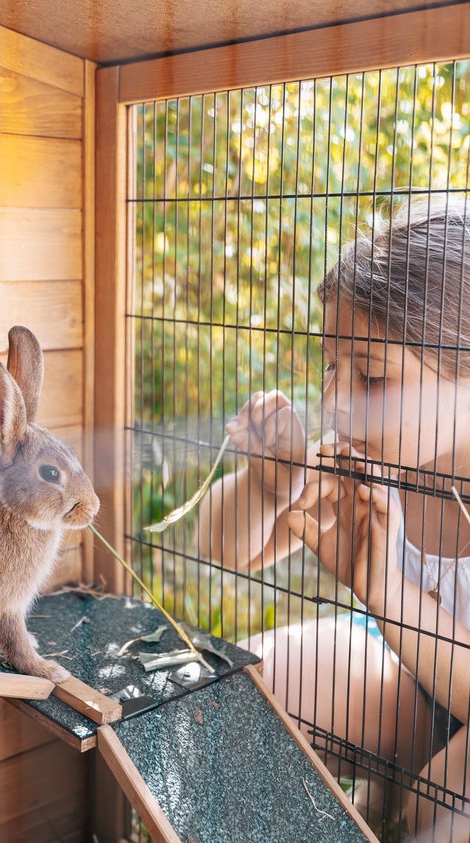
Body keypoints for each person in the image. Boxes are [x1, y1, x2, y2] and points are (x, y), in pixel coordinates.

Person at [198, 197, 470, 842]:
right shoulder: (378, 458)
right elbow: (224, 550)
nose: (337, 402)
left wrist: (385, 594)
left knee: (445, 807)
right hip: (418, 689)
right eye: (330, 366)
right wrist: (269, 486)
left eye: (371, 377)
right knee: (243, 695)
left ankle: (401, 810)